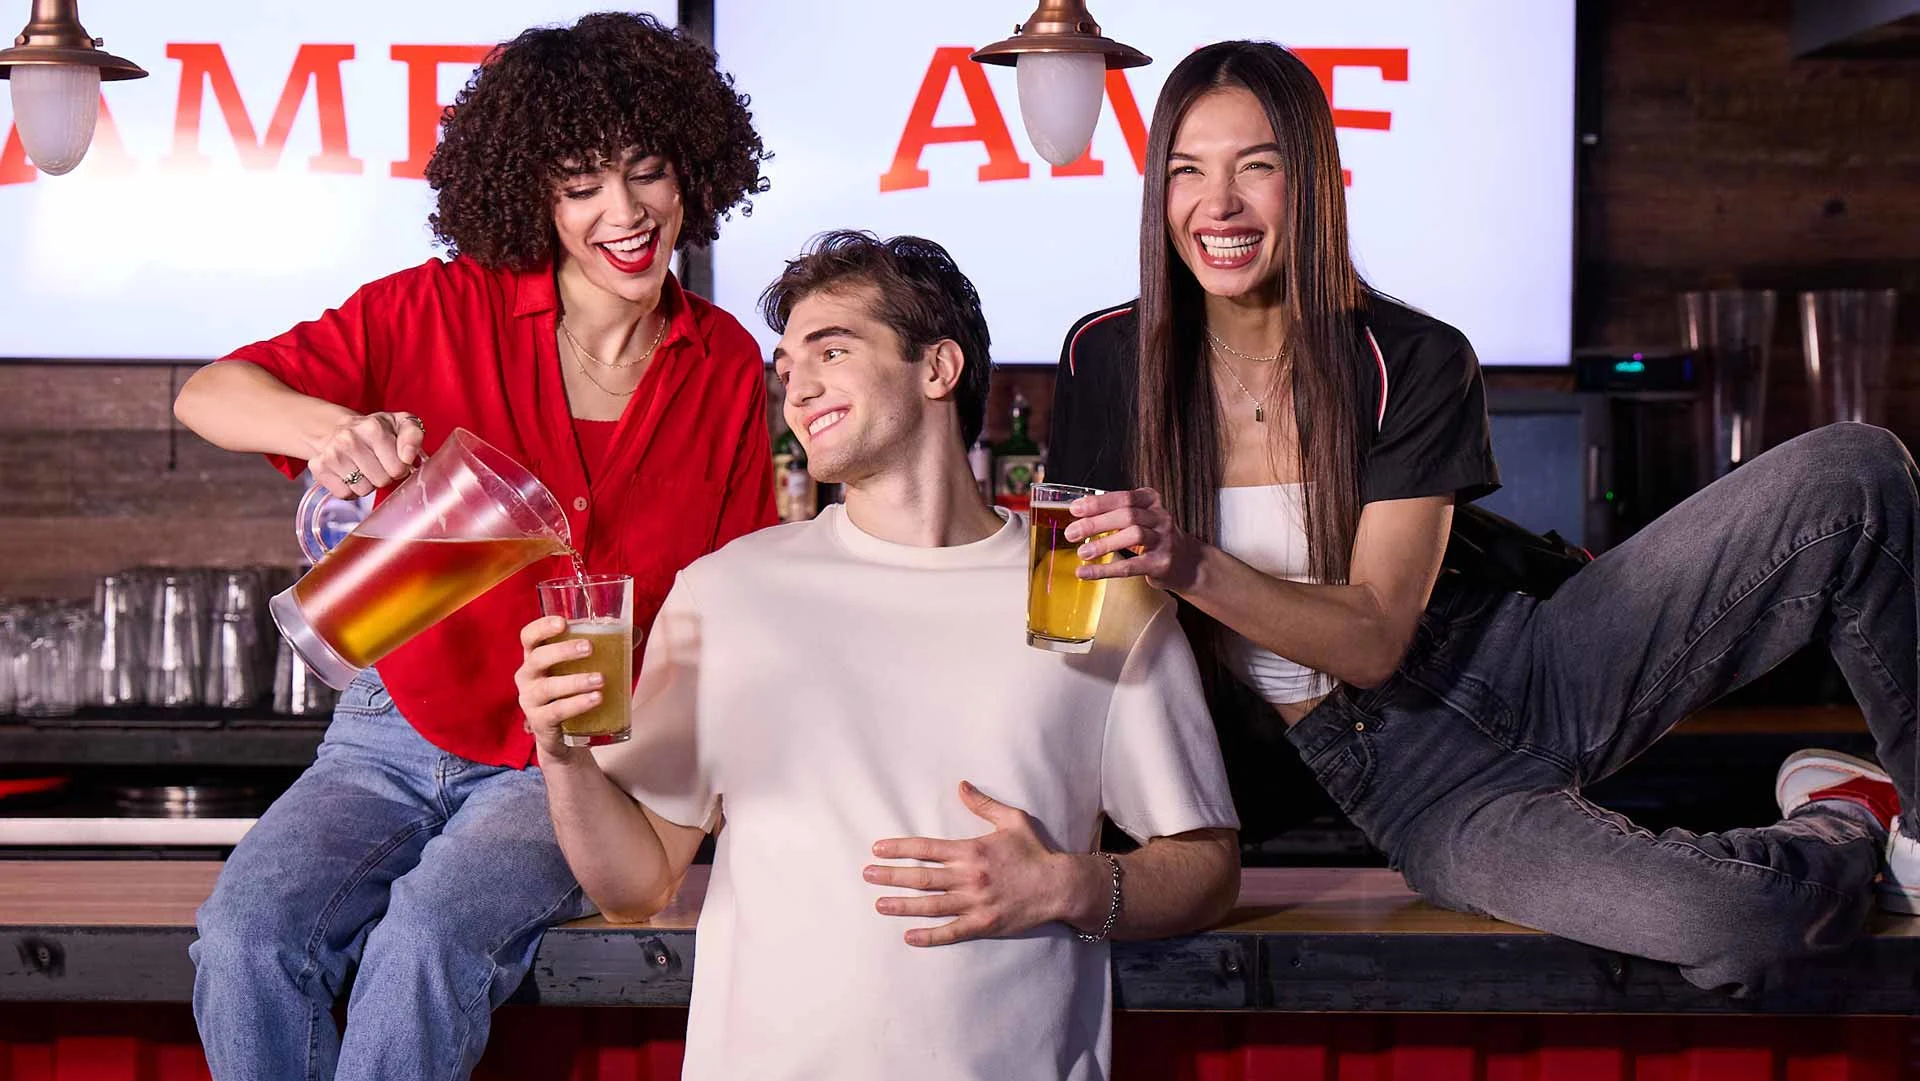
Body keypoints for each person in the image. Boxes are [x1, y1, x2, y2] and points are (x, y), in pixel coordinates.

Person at [1045, 38, 1920, 995]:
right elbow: (1076, 624)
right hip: (1421, 788)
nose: (1218, 205)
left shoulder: (1415, 356)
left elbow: (1377, 634)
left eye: (1257, 166)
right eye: (1186, 170)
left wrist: (1190, 560)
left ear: (1315, 182)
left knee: (1854, 472)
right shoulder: (1108, 358)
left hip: (1538, 658)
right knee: (1735, 922)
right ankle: (1847, 815)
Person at [170, 14, 774, 1079]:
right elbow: (211, 393)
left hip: (575, 757)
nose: (623, 214)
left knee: (425, 943)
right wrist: (332, 430)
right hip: (391, 724)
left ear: (694, 171)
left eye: (648, 173)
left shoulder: (722, 361)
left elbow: (743, 591)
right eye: (582, 182)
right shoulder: (437, 308)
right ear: (531, 189)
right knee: (249, 935)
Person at [514, 231, 1241, 1079]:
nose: (799, 388)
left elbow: (1207, 865)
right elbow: (633, 885)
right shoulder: (726, 590)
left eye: (832, 350)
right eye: (787, 368)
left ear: (938, 369)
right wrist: (560, 756)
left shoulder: (1090, 589)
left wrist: (1064, 886)